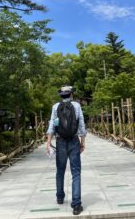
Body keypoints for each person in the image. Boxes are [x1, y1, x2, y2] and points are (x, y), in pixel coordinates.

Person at [46, 85, 87, 216]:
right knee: (76, 172)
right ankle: (76, 205)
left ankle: (59, 197)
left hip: (60, 141)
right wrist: (82, 142)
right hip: (74, 141)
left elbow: (52, 124)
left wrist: (48, 143)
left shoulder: (55, 107)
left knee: (60, 170)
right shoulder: (76, 106)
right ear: (71, 95)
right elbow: (81, 124)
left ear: (61, 95)